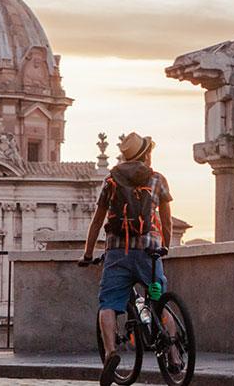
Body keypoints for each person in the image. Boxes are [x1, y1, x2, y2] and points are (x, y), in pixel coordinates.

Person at [78, 131, 173, 386]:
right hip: (148, 251)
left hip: (118, 252)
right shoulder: (157, 179)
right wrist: (165, 246)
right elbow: (166, 220)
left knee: (108, 303)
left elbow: (98, 221)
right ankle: (173, 354)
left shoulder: (111, 182)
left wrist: (88, 254)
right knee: (159, 299)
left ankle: (110, 353)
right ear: (146, 154)